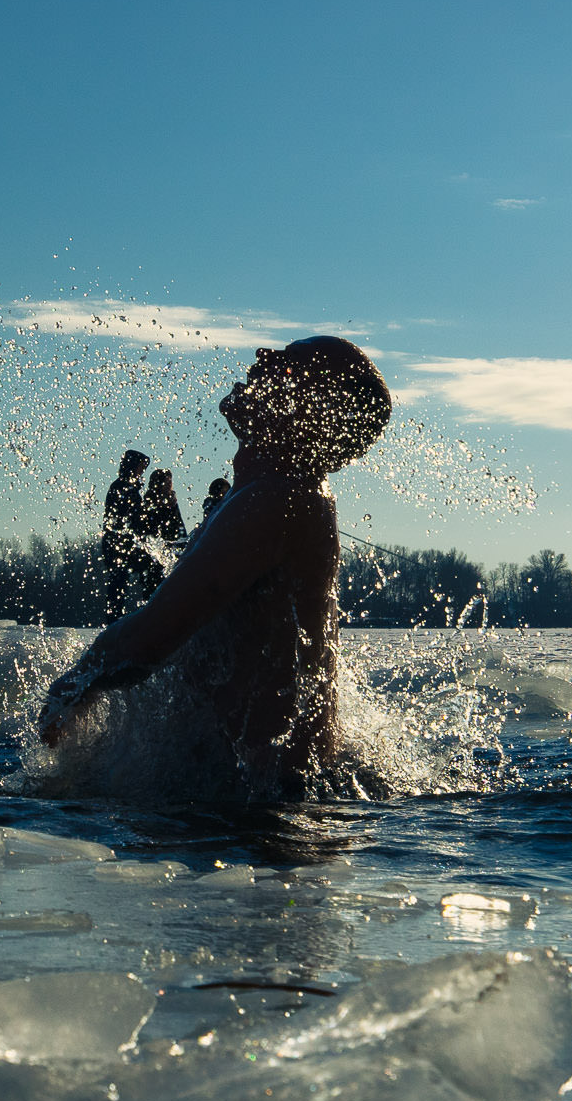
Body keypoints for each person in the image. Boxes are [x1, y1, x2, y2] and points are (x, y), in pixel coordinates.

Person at [39, 336, 391, 791]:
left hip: (261, 815)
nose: (263, 356)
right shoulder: (274, 494)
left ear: (307, 412)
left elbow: (155, 634)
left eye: (286, 366)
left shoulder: (277, 500)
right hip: (258, 801)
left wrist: (73, 685)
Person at [100, 450, 152, 622]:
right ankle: (117, 621)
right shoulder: (123, 487)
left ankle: (120, 619)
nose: (142, 472)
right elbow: (131, 518)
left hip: (121, 544)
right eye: (140, 468)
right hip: (119, 545)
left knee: (120, 582)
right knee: (119, 583)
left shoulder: (127, 487)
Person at [142, 468, 187, 554]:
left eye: (170, 481)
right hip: (158, 545)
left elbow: (180, 524)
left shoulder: (172, 501)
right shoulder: (150, 502)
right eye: (166, 482)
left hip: (176, 542)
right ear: (158, 484)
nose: (169, 484)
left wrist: (184, 542)